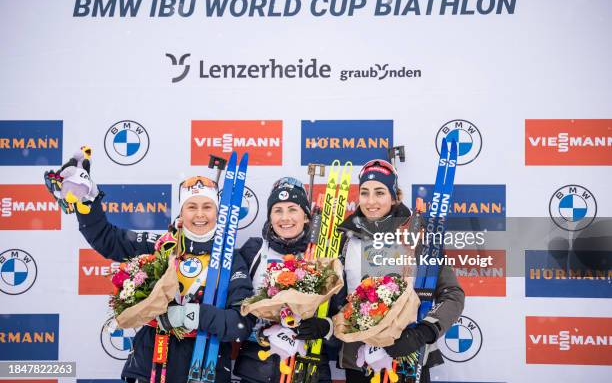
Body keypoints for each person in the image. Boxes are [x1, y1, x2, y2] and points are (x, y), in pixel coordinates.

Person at [67, 165, 254, 383]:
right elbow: (108, 239)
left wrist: (189, 315)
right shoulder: (160, 246)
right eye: (191, 206)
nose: (200, 214)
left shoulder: (232, 260)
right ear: (181, 212)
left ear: (218, 212)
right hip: (151, 365)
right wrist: (86, 202)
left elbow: (241, 323)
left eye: (207, 206)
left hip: (206, 367)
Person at [337, 159, 465, 383]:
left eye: (380, 192)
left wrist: (423, 332)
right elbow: (336, 299)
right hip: (359, 361)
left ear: (395, 196)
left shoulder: (418, 237)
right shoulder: (346, 239)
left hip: (407, 357)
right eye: (364, 193)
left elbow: (452, 294)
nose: (371, 201)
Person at [235, 177, 340, 383]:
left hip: (309, 370)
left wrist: (325, 327)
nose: (285, 218)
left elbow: (344, 316)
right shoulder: (254, 251)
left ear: (307, 216)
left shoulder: (324, 256)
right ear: (269, 216)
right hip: (258, 368)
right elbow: (235, 307)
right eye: (278, 210)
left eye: (292, 209)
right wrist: (258, 330)